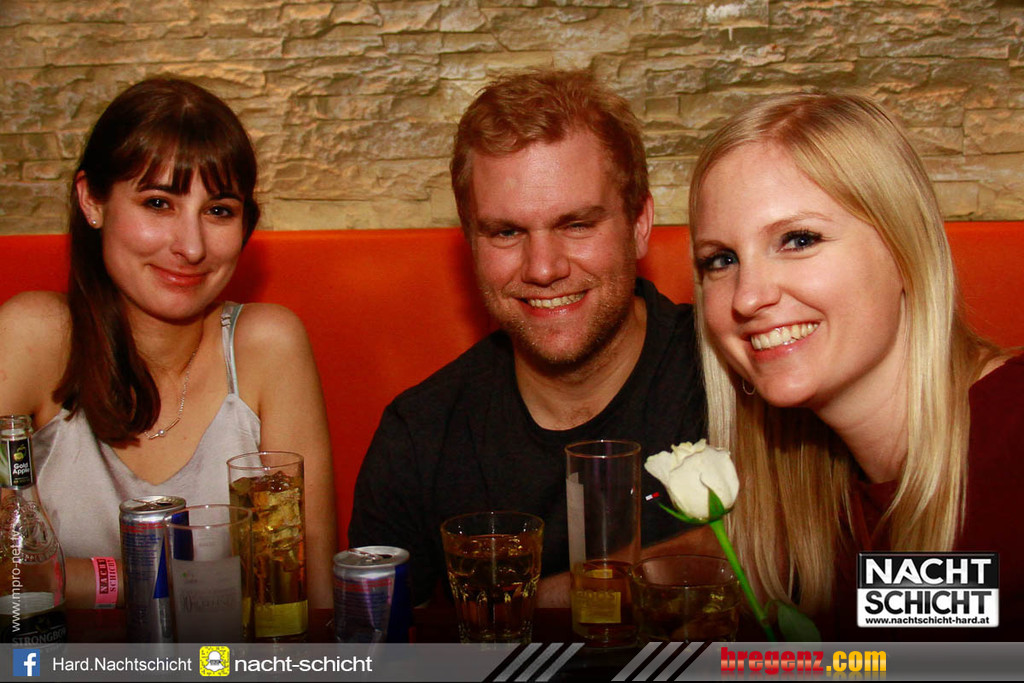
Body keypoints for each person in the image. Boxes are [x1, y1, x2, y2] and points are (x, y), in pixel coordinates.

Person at [349, 68, 709, 607]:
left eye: (576, 224)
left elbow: (800, 554)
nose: (542, 268)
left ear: (639, 225)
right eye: (506, 232)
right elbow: (381, 641)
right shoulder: (419, 436)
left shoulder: (734, 376)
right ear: (471, 244)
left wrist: (528, 606)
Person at [688, 90, 1023, 639]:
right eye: (721, 260)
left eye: (798, 240)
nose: (747, 297)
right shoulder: (829, 494)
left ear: (904, 250)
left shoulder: (1010, 441)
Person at [0, 78, 336, 609]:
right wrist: (159, 581)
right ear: (92, 200)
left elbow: (310, 593)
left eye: (218, 210)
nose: (192, 246)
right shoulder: (33, 336)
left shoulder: (268, 345)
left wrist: (68, 578)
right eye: (158, 203)